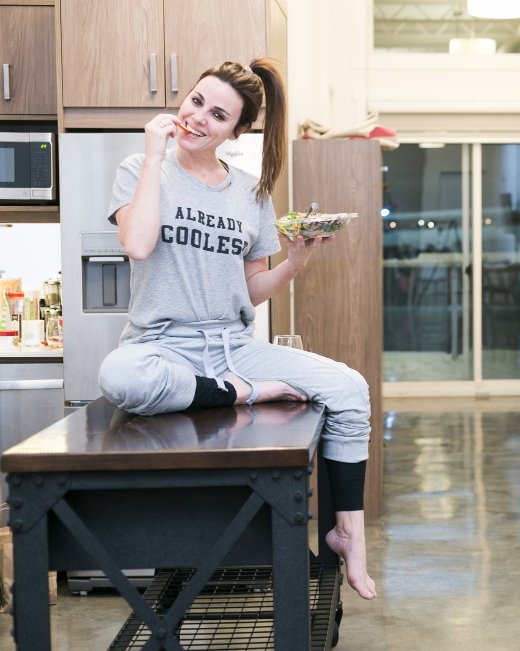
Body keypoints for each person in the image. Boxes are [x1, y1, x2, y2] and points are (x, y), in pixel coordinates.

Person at [97, 58, 377, 600]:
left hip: (232, 343)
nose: (198, 118)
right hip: (161, 346)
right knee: (120, 377)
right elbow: (137, 244)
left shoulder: (250, 193)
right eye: (196, 101)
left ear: (237, 131)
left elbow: (247, 290)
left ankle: (347, 532)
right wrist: (156, 154)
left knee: (350, 388)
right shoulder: (139, 168)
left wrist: (294, 263)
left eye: (218, 114)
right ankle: (245, 394)